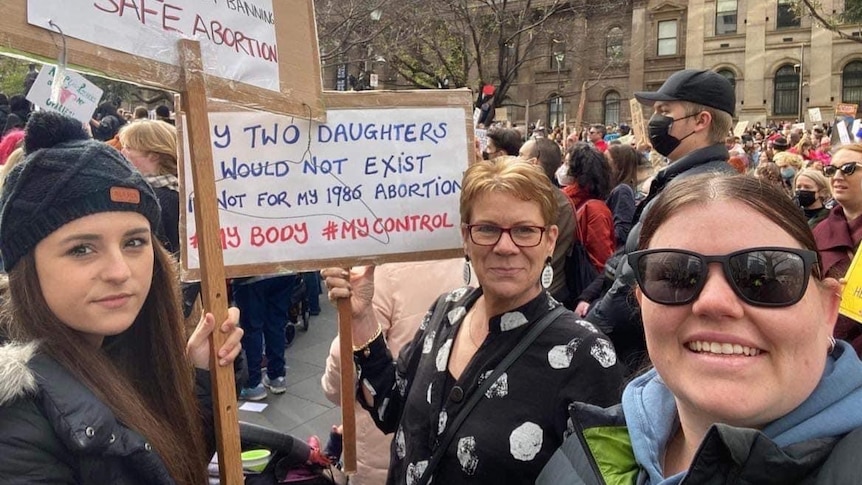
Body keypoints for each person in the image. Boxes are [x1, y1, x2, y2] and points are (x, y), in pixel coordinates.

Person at [538, 173, 862, 484]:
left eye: (763, 277)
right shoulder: (584, 451)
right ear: (641, 303)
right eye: (675, 276)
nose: (714, 302)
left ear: (827, 309)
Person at [322, 158, 623, 484]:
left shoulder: (585, 354)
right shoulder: (447, 311)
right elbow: (391, 410)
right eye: (488, 229)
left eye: (524, 230)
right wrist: (362, 315)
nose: (505, 246)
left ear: (550, 240)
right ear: (466, 237)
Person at [0, 111, 244, 484]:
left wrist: (201, 379)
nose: (120, 271)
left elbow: (166, 464)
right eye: (81, 249)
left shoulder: (122, 350)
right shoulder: (18, 428)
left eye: (133, 242)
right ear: (26, 267)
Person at [585, 68, 737, 375]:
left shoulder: (700, 191)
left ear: (701, 121)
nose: (656, 121)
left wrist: (588, 332)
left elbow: (641, 280)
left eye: (665, 111)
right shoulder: (683, 179)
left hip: (640, 360)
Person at [320, 258, 472, 485]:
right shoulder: (474, 263)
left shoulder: (378, 273)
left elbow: (340, 383)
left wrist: (333, 375)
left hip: (388, 452)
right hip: (457, 445)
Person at [813, 142, 862, 356]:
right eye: (831, 170)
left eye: (849, 168)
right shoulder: (818, 232)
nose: (837, 176)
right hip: (825, 353)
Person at [518, 137, 576, 303]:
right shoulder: (520, 196)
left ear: (533, 163)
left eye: (520, 155)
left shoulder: (555, 205)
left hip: (540, 295)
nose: (515, 159)